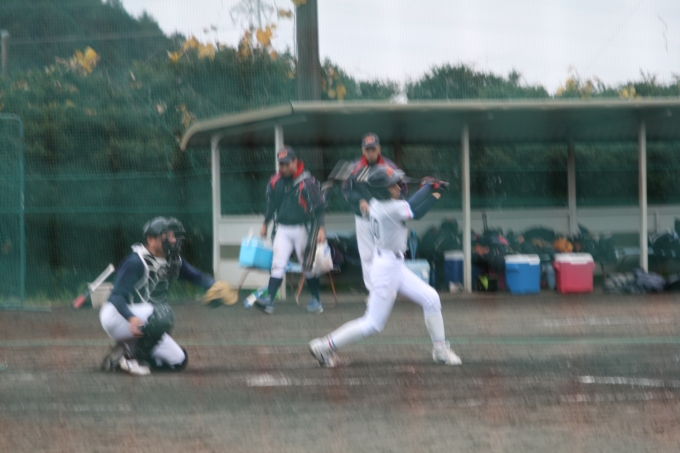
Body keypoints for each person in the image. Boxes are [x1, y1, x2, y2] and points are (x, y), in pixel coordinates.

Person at [309, 165, 462, 367]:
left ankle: (441, 351)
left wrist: (428, 187)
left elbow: (410, 203)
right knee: (372, 323)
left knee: (431, 298)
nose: (398, 187)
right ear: (382, 190)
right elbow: (416, 211)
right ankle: (324, 345)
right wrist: (434, 191)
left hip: (395, 265)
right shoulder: (388, 208)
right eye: (393, 185)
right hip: (386, 269)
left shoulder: (379, 203)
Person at [100, 217, 223, 376]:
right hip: (117, 315)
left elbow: (197, 277)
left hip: (146, 316)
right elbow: (116, 296)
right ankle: (132, 359)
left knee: (178, 361)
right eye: (166, 236)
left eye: (173, 236)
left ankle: (121, 356)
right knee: (163, 313)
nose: (173, 240)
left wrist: (216, 287)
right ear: (150, 240)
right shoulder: (136, 261)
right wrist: (131, 317)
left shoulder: (173, 260)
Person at [254, 145, 326, 314]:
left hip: (303, 229)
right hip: (283, 229)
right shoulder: (275, 181)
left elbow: (319, 207)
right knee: (277, 264)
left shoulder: (307, 182)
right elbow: (271, 205)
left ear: (295, 162)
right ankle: (269, 301)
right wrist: (265, 223)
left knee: (308, 266)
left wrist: (321, 228)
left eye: (287, 164)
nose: (284, 168)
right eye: (281, 164)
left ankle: (316, 300)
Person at [342, 133, 405, 297]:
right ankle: (373, 292)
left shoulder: (389, 166)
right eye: (367, 150)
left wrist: (393, 205)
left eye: (373, 149)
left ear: (379, 149)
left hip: (385, 218)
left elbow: (402, 189)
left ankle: (389, 289)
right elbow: (346, 190)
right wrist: (360, 200)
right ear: (363, 150)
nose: (370, 153)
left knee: (389, 253)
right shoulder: (354, 168)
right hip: (364, 217)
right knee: (367, 255)